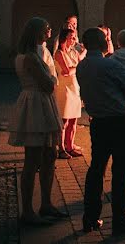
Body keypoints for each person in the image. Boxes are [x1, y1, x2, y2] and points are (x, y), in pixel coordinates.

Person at [78, 27, 125, 236]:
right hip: (118, 121)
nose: (109, 41)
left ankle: (90, 216)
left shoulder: (82, 66)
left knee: (96, 169)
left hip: (98, 122)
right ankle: (120, 220)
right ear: (101, 42)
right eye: (106, 38)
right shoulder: (110, 64)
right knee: (121, 172)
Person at [7, 17, 66, 226]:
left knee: (49, 154)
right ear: (36, 33)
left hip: (42, 101)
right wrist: (52, 79)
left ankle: (47, 203)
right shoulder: (29, 57)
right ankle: (28, 211)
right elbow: (49, 84)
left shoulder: (35, 53)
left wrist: (51, 79)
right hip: (35, 103)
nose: (48, 32)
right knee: (32, 159)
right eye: (45, 29)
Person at [54, 27, 84, 158]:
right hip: (64, 88)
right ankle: (60, 148)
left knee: (73, 120)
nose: (74, 40)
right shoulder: (59, 53)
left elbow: (80, 63)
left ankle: (70, 146)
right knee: (64, 120)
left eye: (74, 38)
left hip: (74, 87)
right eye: (71, 38)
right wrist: (77, 68)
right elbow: (66, 71)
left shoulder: (73, 52)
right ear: (64, 39)